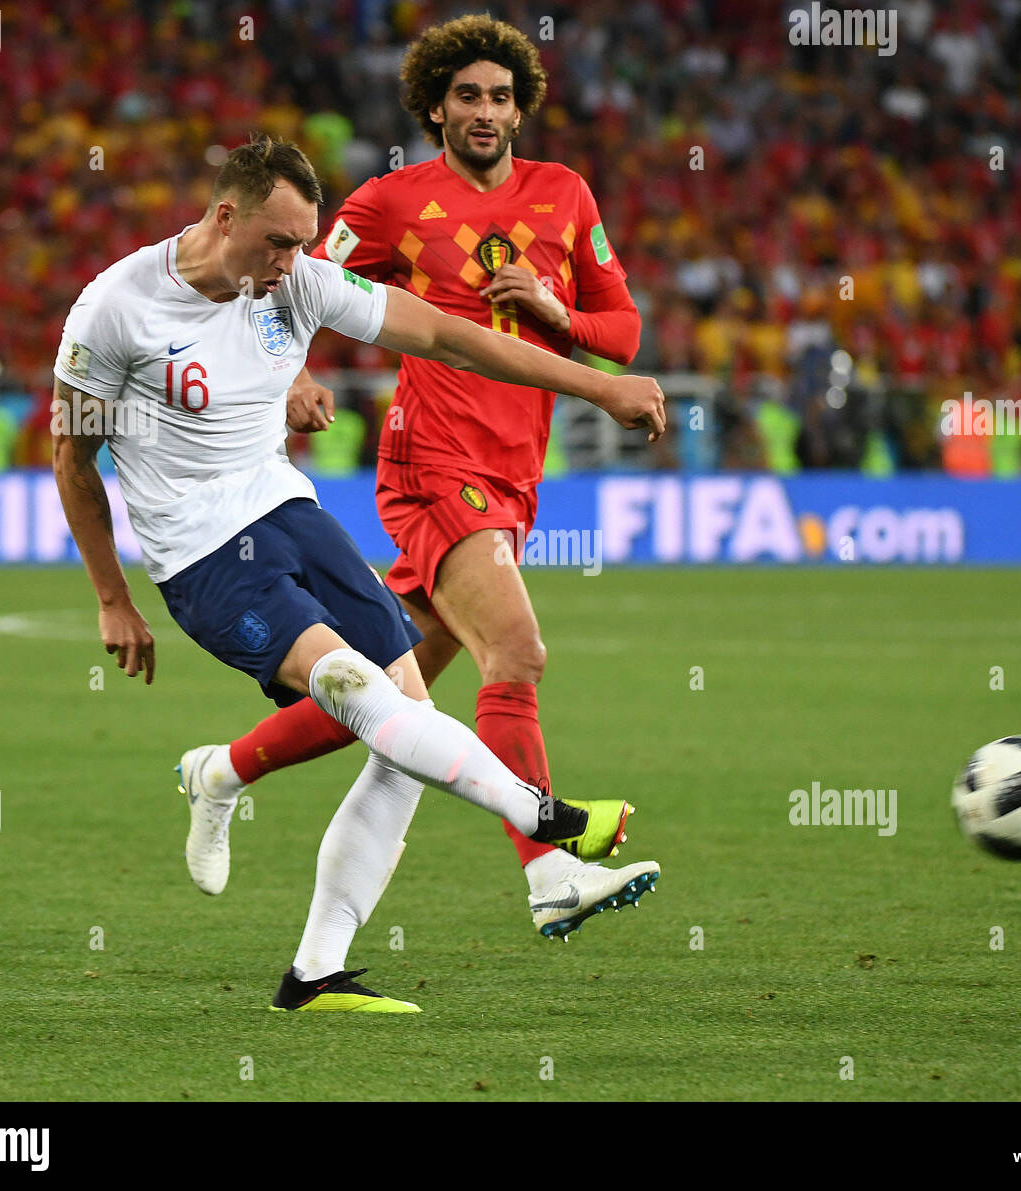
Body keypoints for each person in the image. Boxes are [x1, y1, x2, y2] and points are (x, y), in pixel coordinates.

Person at [52, 135, 666, 1011]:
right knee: (353, 690)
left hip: (289, 513)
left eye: (304, 241)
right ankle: (544, 820)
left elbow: (451, 336)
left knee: (404, 730)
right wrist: (113, 597)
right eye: (278, 241)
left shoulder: (294, 282)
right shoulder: (113, 309)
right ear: (225, 217)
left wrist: (596, 386)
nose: (294, 260)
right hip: (200, 555)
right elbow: (72, 459)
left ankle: (313, 967)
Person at [181, 15, 663, 940]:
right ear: (434, 106)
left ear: (521, 107)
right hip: (432, 460)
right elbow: (287, 283)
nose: (486, 111)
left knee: (389, 700)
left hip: (516, 472)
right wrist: (293, 372)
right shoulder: (391, 202)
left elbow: (623, 331)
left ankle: (223, 772)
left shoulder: (565, 195)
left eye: (501, 95)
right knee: (516, 653)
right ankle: (551, 868)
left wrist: (554, 309)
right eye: (467, 95)